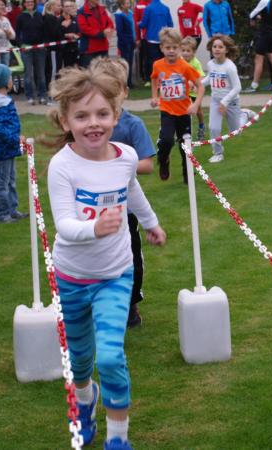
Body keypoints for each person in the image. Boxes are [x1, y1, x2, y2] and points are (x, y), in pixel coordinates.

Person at [46, 65, 166, 450]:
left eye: (102, 113)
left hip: (116, 274)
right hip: (71, 277)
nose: (93, 123)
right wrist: (94, 228)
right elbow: (64, 225)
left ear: (116, 115)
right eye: (82, 116)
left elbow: (132, 191)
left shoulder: (126, 156)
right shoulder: (62, 166)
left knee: (111, 357)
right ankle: (86, 399)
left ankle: (118, 437)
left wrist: (151, 223)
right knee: (80, 360)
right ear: (66, 121)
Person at [90, 57, 157, 328]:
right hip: (92, 211)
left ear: (124, 92)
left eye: (113, 90)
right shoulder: (90, 127)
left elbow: (147, 164)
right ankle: (97, 304)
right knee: (95, 259)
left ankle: (130, 305)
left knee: (130, 259)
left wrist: (116, 165)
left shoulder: (132, 124)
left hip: (125, 210)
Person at [150, 27, 204, 183]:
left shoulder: (185, 66)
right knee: (166, 140)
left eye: (175, 47)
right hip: (167, 111)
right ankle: (163, 160)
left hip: (184, 112)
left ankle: (188, 173)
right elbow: (154, 79)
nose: (171, 51)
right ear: (162, 48)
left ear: (179, 48)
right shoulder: (157, 65)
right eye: (168, 48)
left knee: (184, 145)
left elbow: (200, 86)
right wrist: (154, 96)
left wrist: (196, 105)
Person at [0, 63, 28, 223]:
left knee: (10, 181)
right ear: (2, 82)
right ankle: (1, 214)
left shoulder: (0, 101)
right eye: (9, 77)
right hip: (1, 150)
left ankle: (12, 210)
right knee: (1, 182)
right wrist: (16, 138)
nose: (11, 80)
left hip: (8, 148)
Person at [201, 34, 240, 163]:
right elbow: (210, 78)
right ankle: (218, 153)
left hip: (231, 102)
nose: (217, 49)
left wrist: (225, 102)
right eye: (214, 47)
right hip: (216, 102)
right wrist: (198, 84)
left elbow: (237, 87)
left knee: (235, 132)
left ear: (226, 50)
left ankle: (244, 114)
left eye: (220, 47)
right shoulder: (210, 64)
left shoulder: (230, 67)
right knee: (214, 128)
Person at [243, 0, 272, 93]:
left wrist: (255, 18)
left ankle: (254, 86)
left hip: (264, 33)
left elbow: (252, 14)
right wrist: (262, 17)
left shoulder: (264, 1)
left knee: (259, 59)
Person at [16, 0, 47, 105]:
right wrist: (21, 45)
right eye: (27, 2)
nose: (29, 3)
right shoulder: (20, 17)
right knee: (28, 74)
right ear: (24, 4)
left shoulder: (39, 15)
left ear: (34, 3)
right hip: (27, 49)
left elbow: (44, 31)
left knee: (41, 74)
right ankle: (30, 96)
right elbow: (17, 34)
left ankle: (42, 95)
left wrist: (44, 44)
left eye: (31, 2)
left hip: (40, 48)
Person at [139, 0, 173, 78]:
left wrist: (138, 24)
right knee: (164, 60)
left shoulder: (148, 8)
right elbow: (170, 24)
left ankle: (155, 79)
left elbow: (143, 24)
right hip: (163, 39)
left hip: (152, 39)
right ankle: (165, 78)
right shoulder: (165, 8)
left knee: (153, 62)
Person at [76, 0, 114, 67]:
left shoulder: (102, 9)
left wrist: (108, 29)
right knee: (90, 72)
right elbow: (83, 28)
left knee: (104, 71)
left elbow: (109, 22)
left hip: (103, 48)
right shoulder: (81, 11)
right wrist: (101, 33)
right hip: (89, 51)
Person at [180, 36, 205, 140]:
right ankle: (182, 132)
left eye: (188, 51)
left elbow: (201, 76)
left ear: (194, 52)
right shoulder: (179, 61)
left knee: (198, 111)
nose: (185, 53)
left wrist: (195, 85)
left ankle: (201, 126)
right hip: (182, 93)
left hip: (194, 93)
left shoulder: (196, 63)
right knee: (182, 112)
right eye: (183, 50)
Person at [114, 0, 135, 88]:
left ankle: (129, 82)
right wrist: (125, 42)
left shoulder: (130, 13)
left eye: (129, 3)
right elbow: (120, 31)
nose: (128, 5)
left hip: (131, 41)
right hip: (125, 43)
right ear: (122, 5)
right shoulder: (119, 15)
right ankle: (125, 82)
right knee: (125, 63)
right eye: (126, 3)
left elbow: (133, 27)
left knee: (130, 62)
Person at [43, 0, 63, 90]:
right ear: (52, 7)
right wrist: (62, 25)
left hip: (55, 48)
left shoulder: (52, 17)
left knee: (55, 68)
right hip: (53, 49)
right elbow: (55, 33)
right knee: (53, 69)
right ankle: (51, 90)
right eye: (58, 6)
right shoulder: (50, 18)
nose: (60, 7)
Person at [133, 0, 150, 85]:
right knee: (144, 58)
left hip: (154, 37)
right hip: (144, 37)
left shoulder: (154, 3)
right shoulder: (139, 6)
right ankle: (144, 77)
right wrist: (138, 38)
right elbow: (136, 23)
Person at [60, 0, 80, 68]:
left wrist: (76, 36)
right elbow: (55, 34)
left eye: (70, 6)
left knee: (76, 69)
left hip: (75, 49)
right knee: (65, 70)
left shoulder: (75, 19)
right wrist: (66, 35)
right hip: (63, 50)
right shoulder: (59, 19)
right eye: (66, 6)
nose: (69, 8)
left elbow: (79, 32)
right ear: (63, 8)